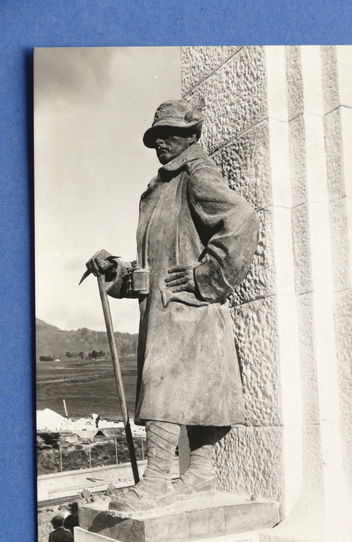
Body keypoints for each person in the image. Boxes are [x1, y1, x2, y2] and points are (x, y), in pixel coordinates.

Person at [86, 99, 259, 512]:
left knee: (165, 387)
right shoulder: (159, 189)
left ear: (190, 135)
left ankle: (157, 482)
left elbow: (242, 219)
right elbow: (153, 266)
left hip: (187, 312)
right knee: (187, 390)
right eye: (156, 136)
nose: (160, 142)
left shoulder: (196, 175)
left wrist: (206, 277)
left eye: (169, 134)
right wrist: (116, 270)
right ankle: (199, 474)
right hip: (165, 312)